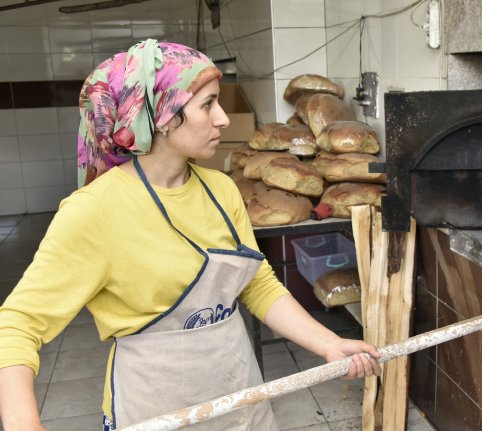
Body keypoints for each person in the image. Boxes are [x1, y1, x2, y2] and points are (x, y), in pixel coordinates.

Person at [0, 39, 381, 430]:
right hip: (155, 407)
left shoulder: (221, 189)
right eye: (207, 104)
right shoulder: (95, 210)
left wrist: (328, 344)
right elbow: (17, 325)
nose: (223, 119)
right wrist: (22, 424)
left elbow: (258, 285)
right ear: (161, 116)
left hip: (239, 396)